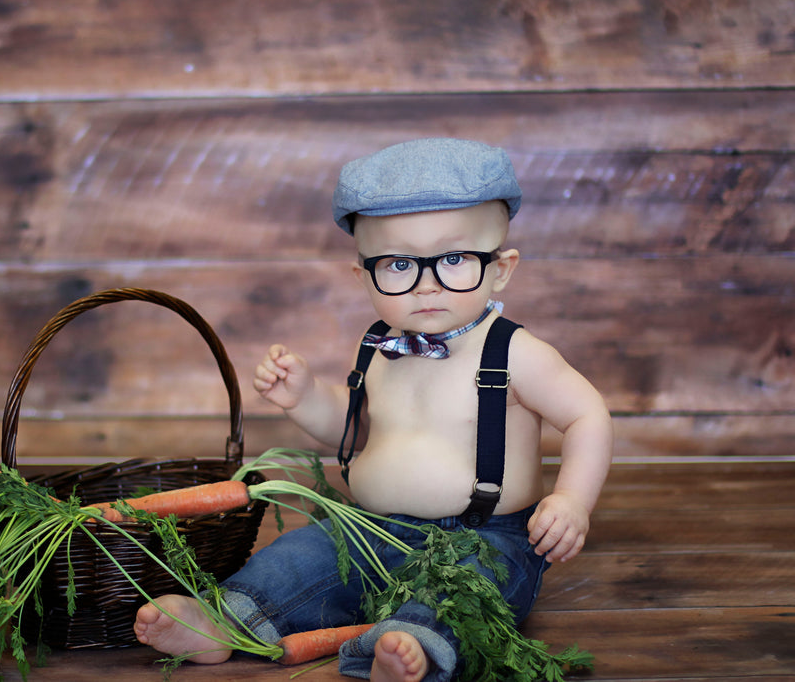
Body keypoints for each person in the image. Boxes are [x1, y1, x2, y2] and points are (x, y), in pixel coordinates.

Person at [134, 138, 614, 682]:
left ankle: (410, 646)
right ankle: (221, 621)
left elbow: (586, 415)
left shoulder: (516, 353)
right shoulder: (380, 345)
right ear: (364, 276)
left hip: (484, 535)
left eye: (454, 260)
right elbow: (357, 427)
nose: (427, 284)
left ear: (501, 269)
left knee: (470, 588)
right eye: (399, 264)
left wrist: (573, 500)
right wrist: (306, 397)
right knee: (300, 557)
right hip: (369, 527)